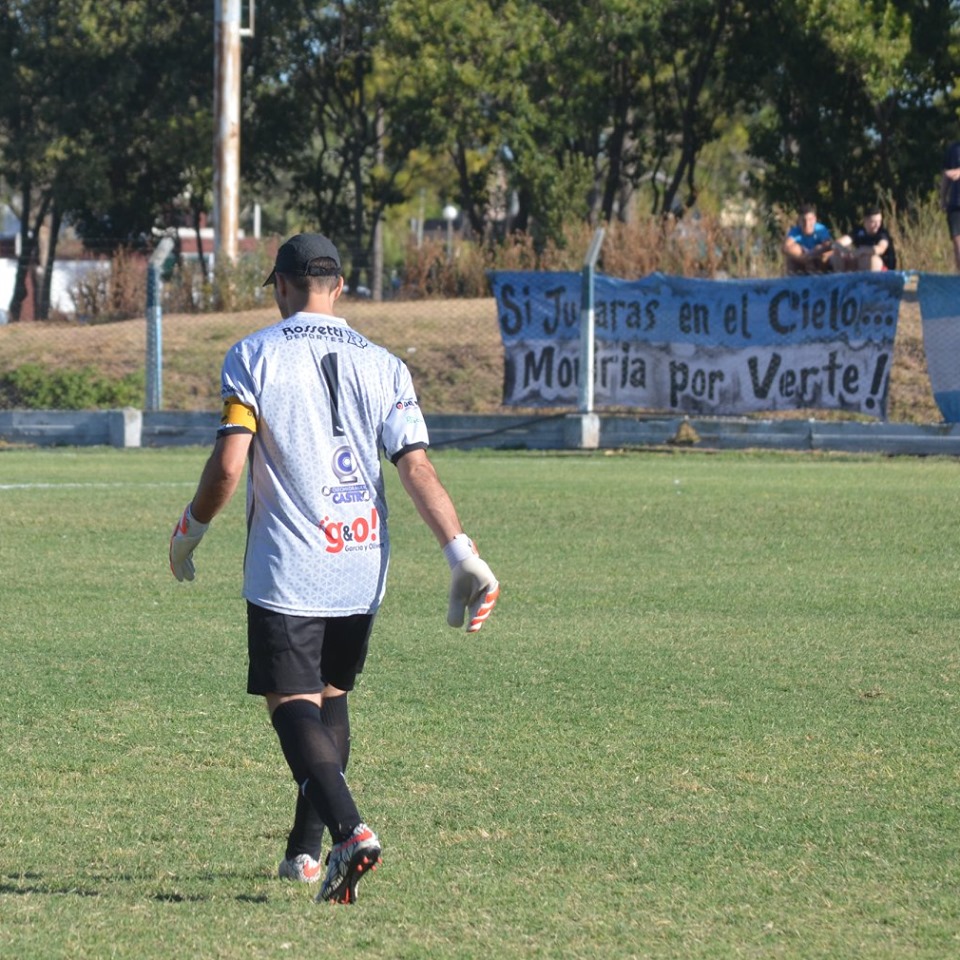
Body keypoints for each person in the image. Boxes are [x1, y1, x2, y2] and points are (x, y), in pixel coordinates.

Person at [168, 233, 500, 905]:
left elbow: (230, 466)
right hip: (361, 562)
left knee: (289, 703)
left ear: (281, 287)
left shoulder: (251, 355)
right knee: (331, 698)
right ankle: (305, 853)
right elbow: (416, 466)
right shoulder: (385, 364)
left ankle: (350, 831)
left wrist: (189, 532)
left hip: (291, 563)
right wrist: (460, 551)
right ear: (340, 288)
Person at [830, 206, 896, 273]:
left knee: (868, 258)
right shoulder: (858, 231)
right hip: (859, 264)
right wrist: (847, 252)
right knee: (836, 256)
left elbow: (880, 249)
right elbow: (838, 243)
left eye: (879, 221)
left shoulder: (882, 233)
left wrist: (862, 250)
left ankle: (869, 281)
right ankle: (842, 279)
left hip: (880, 266)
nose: (877, 225)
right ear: (865, 221)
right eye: (873, 222)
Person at [782, 203, 835, 275]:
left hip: (817, 258)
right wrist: (805, 259)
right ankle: (793, 283)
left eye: (810, 219)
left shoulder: (820, 229)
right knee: (790, 258)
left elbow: (828, 246)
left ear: (814, 219)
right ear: (799, 221)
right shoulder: (795, 231)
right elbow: (785, 247)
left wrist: (814, 253)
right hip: (803, 258)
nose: (807, 224)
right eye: (803, 220)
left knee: (824, 252)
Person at [940, 140, 960, 272]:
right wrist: (942, 198)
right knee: (957, 244)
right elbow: (947, 174)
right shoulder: (953, 148)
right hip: (955, 203)